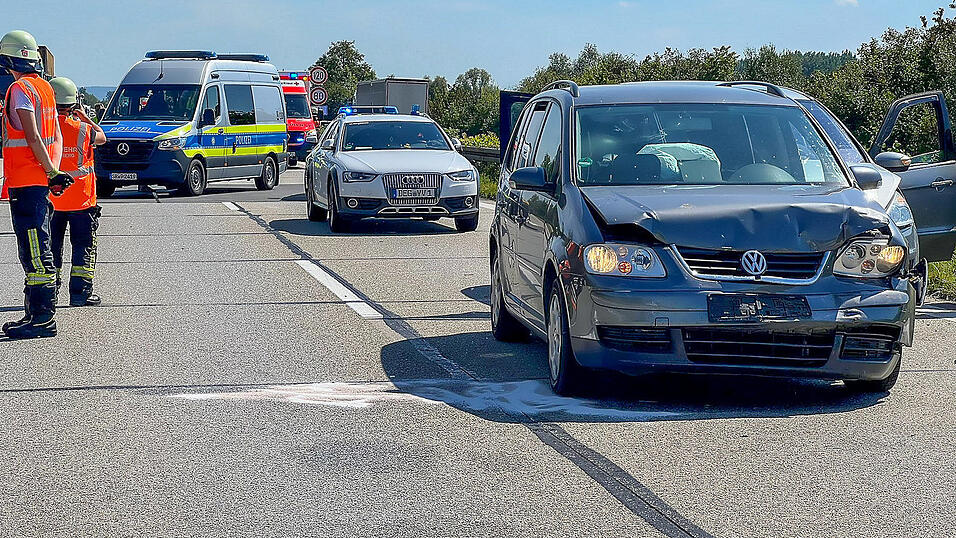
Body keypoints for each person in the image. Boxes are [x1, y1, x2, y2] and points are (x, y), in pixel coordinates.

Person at [1, 30, 72, 339]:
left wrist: (49, 172)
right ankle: (35, 314)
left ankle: (42, 318)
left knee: (34, 249)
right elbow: (54, 135)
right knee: (37, 246)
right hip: (39, 181)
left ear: (8, 60)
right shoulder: (45, 88)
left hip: (26, 181)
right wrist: (53, 172)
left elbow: (31, 136)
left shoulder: (19, 89)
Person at [49, 76, 106, 306]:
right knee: (83, 246)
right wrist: (85, 117)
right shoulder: (83, 129)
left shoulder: (44, 129)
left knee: (51, 248)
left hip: (53, 200)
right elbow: (102, 137)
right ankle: (80, 294)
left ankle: (50, 293)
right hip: (82, 200)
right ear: (74, 103)